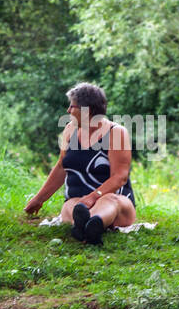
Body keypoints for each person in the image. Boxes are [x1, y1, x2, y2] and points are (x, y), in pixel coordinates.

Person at [24, 82, 137, 246]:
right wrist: (39, 199)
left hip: (116, 202)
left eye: (72, 106)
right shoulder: (70, 129)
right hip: (77, 202)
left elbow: (120, 177)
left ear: (87, 111)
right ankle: (88, 227)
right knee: (71, 206)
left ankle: (93, 223)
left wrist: (92, 198)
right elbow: (62, 167)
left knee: (109, 201)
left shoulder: (116, 132)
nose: (68, 111)